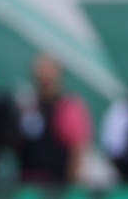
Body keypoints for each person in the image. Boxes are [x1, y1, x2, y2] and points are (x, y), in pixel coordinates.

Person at [16, 54, 91, 184]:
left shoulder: (69, 108)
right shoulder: (28, 106)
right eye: (40, 74)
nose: (43, 78)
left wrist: (69, 185)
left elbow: (77, 150)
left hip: (56, 186)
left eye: (48, 75)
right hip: (27, 182)